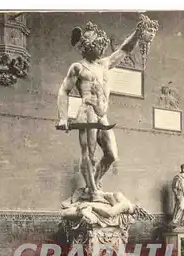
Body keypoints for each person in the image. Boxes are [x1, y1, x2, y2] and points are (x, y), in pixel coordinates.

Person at [57, 16, 158, 202]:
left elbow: (124, 49)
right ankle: (94, 192)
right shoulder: (78, 68)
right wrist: (63, 117)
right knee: (88, 153)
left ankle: (91, 185)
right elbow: (64, 90)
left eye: (101, 43)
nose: (101, 47)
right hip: (86, 112)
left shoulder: (104, 64)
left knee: (111, 155)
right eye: (97, 43)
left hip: (101, 114)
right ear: (87, 46)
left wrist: (137, 33)